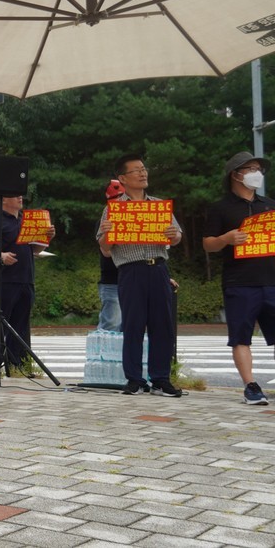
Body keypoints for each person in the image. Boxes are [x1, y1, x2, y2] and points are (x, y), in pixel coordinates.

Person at [98, 154, 183, 397]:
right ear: (123, 178)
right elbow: (105, 248)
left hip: (158, 268)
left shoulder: (158, 205)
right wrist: (106, 233)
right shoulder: (113, 209)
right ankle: (134, 379)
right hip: (131, 270)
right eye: (136, 170)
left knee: (162, 326)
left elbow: (177, 237)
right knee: (133, 325)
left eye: (144, 169)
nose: (143, 173)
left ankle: (160, 379)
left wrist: (173, 234)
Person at [203, 151, 274, 405]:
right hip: (239, 281)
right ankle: (251, 386)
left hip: (271, 279)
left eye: (259, 169)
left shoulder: (270, 205)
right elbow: (208, 244)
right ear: (236, 174)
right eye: (251, 168)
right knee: (241, 336)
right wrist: (226, 239)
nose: (257, 173)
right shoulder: (220, 208)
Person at [0, 195, 55, 371]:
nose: (20, 198)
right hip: (5, 280)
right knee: (0, 322)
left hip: (26, 278)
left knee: (21, 324)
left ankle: (18, 364)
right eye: (15, 196)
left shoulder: (25, 221)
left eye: (21, 195)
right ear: (4, 200)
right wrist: (1, 256)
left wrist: (47, 238)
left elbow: (35, 249)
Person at [98, 180, 124, 332]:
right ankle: (102, 355)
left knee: (129, 326)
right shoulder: (105, 220)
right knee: (111, 325)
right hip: (112, 282)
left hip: (132, 280)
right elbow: (106, 251)